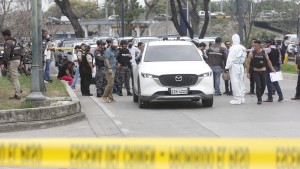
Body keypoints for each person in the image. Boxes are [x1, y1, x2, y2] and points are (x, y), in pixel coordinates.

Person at [246, 40, 276, 104]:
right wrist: (247, 73)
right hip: (255, 71)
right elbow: (248, 63)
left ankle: (259, 95)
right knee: (258, 85)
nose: (254, 47)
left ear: (259, 46)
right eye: (253, 45)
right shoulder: (251, 53)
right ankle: (259, 99)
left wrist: (272, 68)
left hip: (263, 71)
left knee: (263, 86)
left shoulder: (264, 52)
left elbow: (268, 61)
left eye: (255, 46)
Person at [225, 34, 247, 104]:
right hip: (241, 66)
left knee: (235, 82)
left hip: (234, 66)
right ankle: (242, 97)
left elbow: (230, 58)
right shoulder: (242, 47)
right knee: (241, 82)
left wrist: (226, 67)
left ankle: (237, 98)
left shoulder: (233, 48)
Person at [1, 29, 21, 100]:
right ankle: (18, 88)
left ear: (6, 35)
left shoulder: (8, 42)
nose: (3, 37)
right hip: (17, 60)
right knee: (10, 76)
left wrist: (3, 63)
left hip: (12, 61)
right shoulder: (15, 41)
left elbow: (6, 54)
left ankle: (18, 95)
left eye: (3, 36)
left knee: (14, 78)